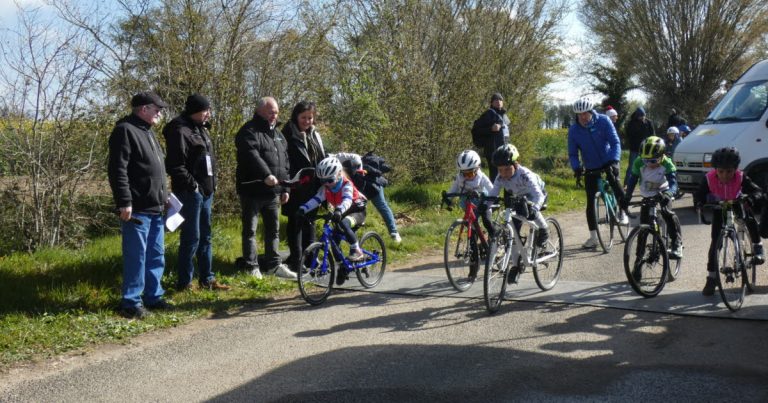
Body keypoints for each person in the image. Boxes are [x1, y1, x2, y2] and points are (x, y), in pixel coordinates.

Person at [107, 91, 172, 319]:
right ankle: (130, 302)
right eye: (157, 109)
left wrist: (164, 195)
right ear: (143, 109)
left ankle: (153, 296)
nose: (159, 113)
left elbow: (154, 170)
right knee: (137, 256)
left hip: (155, 206)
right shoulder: (125, 131)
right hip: (137, 208)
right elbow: (118, 170)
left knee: (156, 255)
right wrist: (124, 201)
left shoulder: (148, 132)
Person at [163, 94, 230, 292]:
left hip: (206, 192)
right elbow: (175, 165)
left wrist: (210, 187)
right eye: (205, 110)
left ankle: (207, 278)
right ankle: (185, 282)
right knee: (191, 237)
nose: (208, 114)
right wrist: (194, 187)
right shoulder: (179, 130)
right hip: (190, 193)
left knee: (206, 236)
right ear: (195, 111)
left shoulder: (201, 128)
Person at [235, 97, 296, 280]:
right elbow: (251, 155)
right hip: (252, 191)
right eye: (271, 112)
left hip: (273, 193)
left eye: (276, 112)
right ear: (260, 111)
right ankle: (252, 266)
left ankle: (273, 265)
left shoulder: (278, 134)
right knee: (250, 231)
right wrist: (265, 175)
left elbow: (285, 162)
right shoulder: (248, 131)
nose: (274, 116)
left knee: (273, 231)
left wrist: (286, 188)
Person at [693, 147, 765, 296]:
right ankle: (711, 277)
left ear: (735, 169)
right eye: (721, 171)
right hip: (720, 208)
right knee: (715, 244)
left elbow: (757, 191)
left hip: (737, 203)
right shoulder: (709, 178)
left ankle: (758, 246)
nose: (725, 175)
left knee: (749, 218)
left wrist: (751, 198)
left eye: (729, 171)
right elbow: (699, 194)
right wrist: (700, 204)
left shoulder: (740, 176)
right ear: (715, 170)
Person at [296, 157, 367, 285]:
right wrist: (303, 209)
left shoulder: (346, 184)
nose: (327, 183)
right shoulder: (326, 188)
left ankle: (357, 250)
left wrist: (339, 210)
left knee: (345, 224)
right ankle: (342, 267)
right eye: (323, 181)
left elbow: (347, 200)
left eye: (330, 180)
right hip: (341, 212)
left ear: (339, 174)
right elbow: (316, 199)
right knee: (334, 239)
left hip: (357, 211)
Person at [568, 97, 628, 249]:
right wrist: (576, 167)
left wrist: (614, 160)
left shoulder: (603, 121)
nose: (583, 117)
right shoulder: (574, 130)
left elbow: (615, 142)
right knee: (590, 202)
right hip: (591, 166)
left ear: (590, 111)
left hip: (608, 160)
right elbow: (573, 154)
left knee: (616, 184)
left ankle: (623, 212)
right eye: (579, 114)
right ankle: (593, 237)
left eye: (585, 113)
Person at [281, 101, 327, 272]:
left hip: (314, 187)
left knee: (311, 223)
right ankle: (297, 261)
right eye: (303, 117)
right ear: (296, 116)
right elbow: (284, 163)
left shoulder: (314, 134)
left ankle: (311, 260)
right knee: (296, 223)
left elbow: (321, 157)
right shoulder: (287, 134)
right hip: (296, 187)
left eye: (310, 118)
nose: (307, 121)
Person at [623, 136, 683, 259]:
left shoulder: (667, 163)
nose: (649, 164)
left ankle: (676, 243)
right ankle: (638, 259)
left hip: (663, 192)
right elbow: (632, 180)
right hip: (648, 195)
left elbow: (674, 184)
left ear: (662, 156)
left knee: (667, 213)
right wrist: (627, 197)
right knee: (643, 228)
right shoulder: (638, 162)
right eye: (646, 160)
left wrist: (669, 194)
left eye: (654, 161)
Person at [486, 144, 549, 249]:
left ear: (515, 164)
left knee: (530, 209)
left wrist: (535, 208)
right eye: (500, 170)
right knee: (514, 226)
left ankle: (544, 229)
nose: (504, 174)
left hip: (537, 194)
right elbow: (493, 193)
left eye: (507, 169)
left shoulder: (525, 175)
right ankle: (516, 263)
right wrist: (486, 206)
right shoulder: (500, 177)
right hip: (520, 196)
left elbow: (538, 196)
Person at [335, 152, 402, 244]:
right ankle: (350, 236)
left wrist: (359, 172)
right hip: (356, 187)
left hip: (370, 183)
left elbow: (355, 157)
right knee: (355, 210)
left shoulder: (337, 157)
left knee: (381, 206)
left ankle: (394, 233)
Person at [442, 149, 495, 237]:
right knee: (471, 226)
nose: (466, 176)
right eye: (464, 174)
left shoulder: (481, 177)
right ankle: (472, 247)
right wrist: (447, 198)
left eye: (470, 174)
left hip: (483, 203)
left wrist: (491, 199)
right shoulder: (459, 178)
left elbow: (492, 190)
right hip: (468, 203)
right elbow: (453, 189)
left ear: (477, 168)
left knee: (487, 221)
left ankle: (494, 239)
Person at [471, 92, 510, 180]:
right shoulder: (488, 114)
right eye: (496, 100)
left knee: (509, 174)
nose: (498, 101)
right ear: (491, 103)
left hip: (505, 150)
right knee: (495, 176)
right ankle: (493, 193)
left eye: (500, 99)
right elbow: (476, 129)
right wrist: (490, 129)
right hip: (493, 151)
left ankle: (509, 194)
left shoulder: (504, 115)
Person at [623, 106, 655, 186]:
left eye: (644, 115)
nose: (643, 117)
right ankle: (626, 184)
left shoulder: (648, 122)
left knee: (645, 167)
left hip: (646, 149)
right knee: (631, 167)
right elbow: (629, 134)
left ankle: (644, 184)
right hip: (634, 148)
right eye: (641, 116)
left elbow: (653, 134)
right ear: (637, 115)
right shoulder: (632, 123)